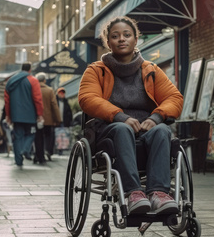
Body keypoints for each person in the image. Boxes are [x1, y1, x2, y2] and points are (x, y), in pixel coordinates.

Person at [78, 16, 183, 215]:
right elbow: (87, 98)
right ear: (108, 42)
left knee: (162, 130)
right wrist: (120, 116)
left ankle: (159, 193)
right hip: (111, 128)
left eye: (127, 35)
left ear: (136, 39)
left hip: (146, 128)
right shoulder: (95, 71)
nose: (121, 39)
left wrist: (156, 118)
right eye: (115, 36)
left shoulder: (151, 70)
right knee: (122, 129)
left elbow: (173, 97)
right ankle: (133, 192)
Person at [5, 62, 44, 169]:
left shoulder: (10, 81)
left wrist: (8, 115)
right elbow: (38, 99)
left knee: (17, 137)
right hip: (30, 115)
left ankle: (18, 161)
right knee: (31, 134)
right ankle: (25, 150)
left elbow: (7, 101)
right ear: (30, 69)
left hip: (16, 115)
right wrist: (40, 114)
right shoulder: (33, 80)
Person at [34, 72, 61, 164]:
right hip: (48, 120)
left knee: (38, 138)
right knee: (48, 137)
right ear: (44, 80)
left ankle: (38, 155)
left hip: (36, 118)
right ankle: (47, 152)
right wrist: (58, 119)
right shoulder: (49, 90)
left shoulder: (33, 89)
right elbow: (54, 105)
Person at [54, 87, 73, 156]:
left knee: (63, 136)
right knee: (56, 135)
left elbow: (69, 113)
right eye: (60, 93)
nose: (62, 94)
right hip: (56, 122)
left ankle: (61, 150)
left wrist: (70, 122)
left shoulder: (66, 102)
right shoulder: (55, 101)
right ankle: (56, 149)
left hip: (64, 123)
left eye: (63, 93)